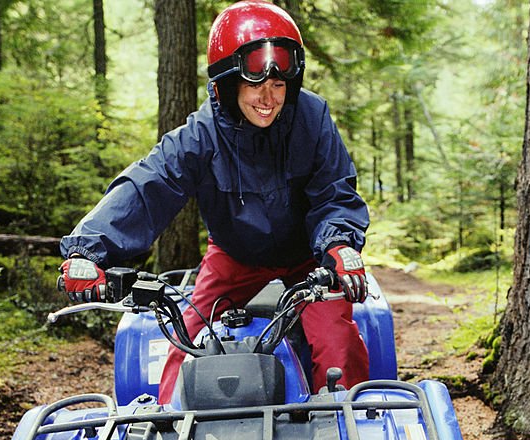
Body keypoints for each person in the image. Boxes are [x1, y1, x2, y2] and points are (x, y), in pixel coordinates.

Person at [57, 0, 370, 403]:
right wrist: (89, 251)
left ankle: (356, 439)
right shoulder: (201, 133)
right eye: (255, 84)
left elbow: (335, 192)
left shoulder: (312, 117)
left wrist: (340, 244)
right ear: (227, 83)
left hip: (309, 256)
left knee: (337, 340)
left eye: (278, 85)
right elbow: (147, 185)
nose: (268, 98)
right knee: (183, 342)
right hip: (234, 256)